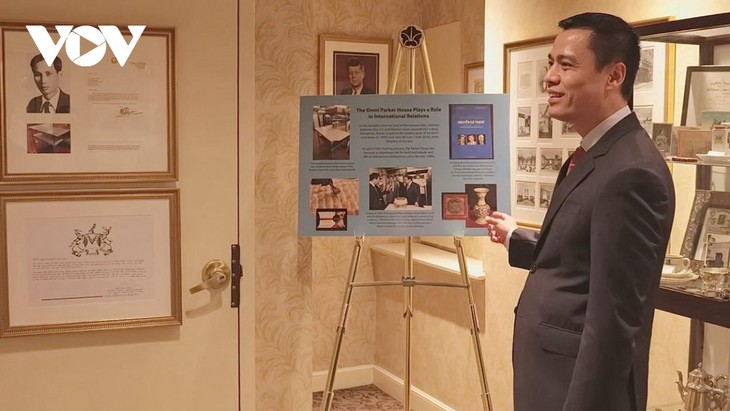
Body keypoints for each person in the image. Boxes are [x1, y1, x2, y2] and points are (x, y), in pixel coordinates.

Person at [484, 12, 675, 411]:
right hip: (549, 378)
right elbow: (580, 257)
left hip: (575, 391)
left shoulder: (632, 172)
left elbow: (612, 328)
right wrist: (516, 236)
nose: (550, 77)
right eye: (550, 64)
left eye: (566, 65)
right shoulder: (595, 154)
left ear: (613, 76)